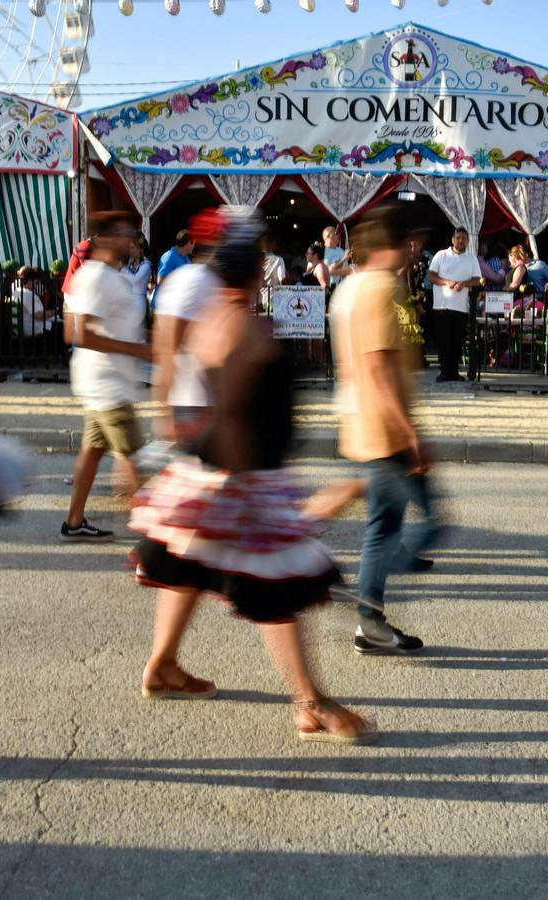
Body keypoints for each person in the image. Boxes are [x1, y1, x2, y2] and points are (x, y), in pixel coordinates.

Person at [131, 206, 375, 743]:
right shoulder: (238, 326)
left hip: (221, 470)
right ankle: (310, 701)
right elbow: (231, 414)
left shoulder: (220, 318)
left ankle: (162, 665)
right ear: (251, 272)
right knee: (274, 588)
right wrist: (244, 493)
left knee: (188, 564)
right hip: (241, 474)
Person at [332, 203, 440, 655]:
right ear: (403, 242)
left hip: (366, 423)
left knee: (389, 524)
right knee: (415, 524)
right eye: (414, 241)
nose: (417, 249)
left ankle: (369, 607)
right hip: (386, 428)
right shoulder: (382, 288)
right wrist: (410, 433)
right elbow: (378, 367)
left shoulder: (353, 286)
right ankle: (367, 610)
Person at [61, 212, 152, 542]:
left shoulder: (111, 276)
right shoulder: (96, 276)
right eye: (125, 234)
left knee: (92, 450)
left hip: (105, 382)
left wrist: (144, 345)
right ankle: (155, 539)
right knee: (131, 457)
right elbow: (79, 334)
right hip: (107, 384)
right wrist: (135, 349)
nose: (131, 241)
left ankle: (74, 522)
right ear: (107, 239)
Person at [152, 211, 222, 447]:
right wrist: (164, 412)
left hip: (206, 398)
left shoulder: (206, 276)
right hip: (191, 401)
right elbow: (168, 347)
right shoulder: (190, 277)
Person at [426, 228, 484, 382]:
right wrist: (446, 281)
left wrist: (464, 283)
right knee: (444, 340)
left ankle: (454, 372)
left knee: (457, 341)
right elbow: (431, 277)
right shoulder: (441, 255)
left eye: (463, 238)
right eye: (458, 238)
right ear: (453, 239)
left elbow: (477, 280)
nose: (460, 241)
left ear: (467, 241)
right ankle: (445, 371)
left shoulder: (471, 258)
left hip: (461, 307)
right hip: (442, 305)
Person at [11, 266, 54, 338]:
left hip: (20, 328)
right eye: (36, 283)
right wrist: (49, 313)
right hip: (32, 327)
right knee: (63, 328)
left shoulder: (16, 292)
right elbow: (39, 316)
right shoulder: (28, 294)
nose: (36, 286)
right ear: (30, 282)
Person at [120, 235, 154, 310]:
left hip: (138, 303)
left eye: (132, 248)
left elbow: (135, 280)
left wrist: (121, 268)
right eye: (129, 248)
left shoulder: (146, 265)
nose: (130, 250)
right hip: (129, 301)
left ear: (140, 249)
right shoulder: (131, 265)